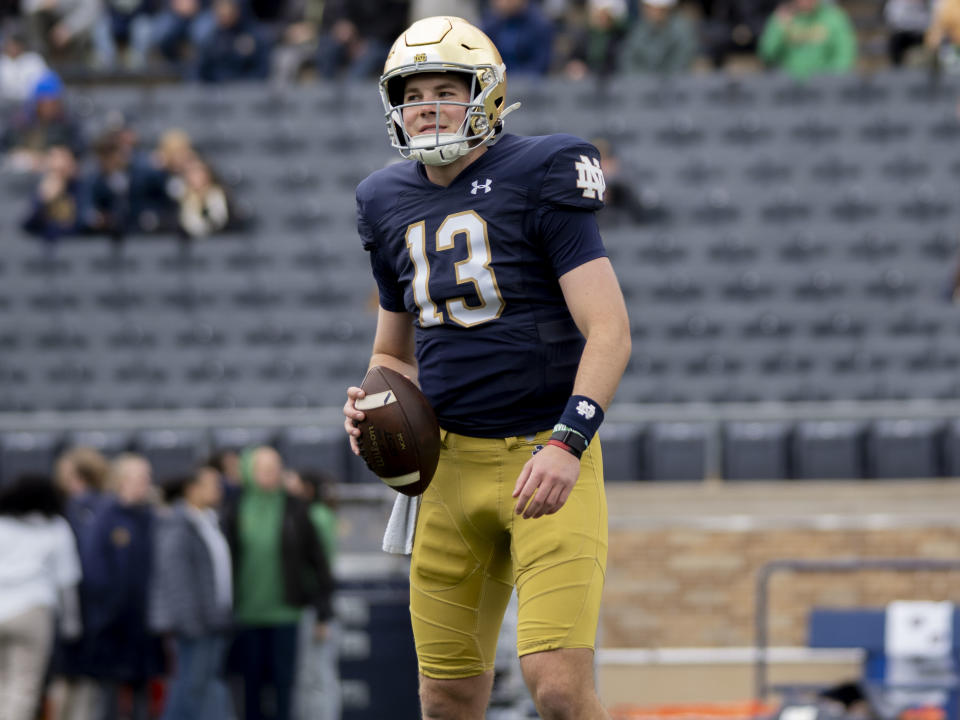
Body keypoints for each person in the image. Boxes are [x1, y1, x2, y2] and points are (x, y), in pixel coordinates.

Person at [342, 16, 631, 720]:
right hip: (446, 472)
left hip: (546, 456)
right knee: (445, 701)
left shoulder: (541, 170)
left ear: (489, 96)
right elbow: (391, 351)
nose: (430, 106)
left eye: (448, 88)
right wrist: (373, 405)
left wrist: (568, 443)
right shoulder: (384, 200)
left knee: (559, 690)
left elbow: (611, 331)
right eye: (415, 93)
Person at [222, 446, 334, 720]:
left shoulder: (296, 508)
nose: (270, 474)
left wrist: (323, 610)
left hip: (286, 612)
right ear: (250, 471)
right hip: (247, 613)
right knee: (250, 685)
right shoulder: (235, 507)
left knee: (285, 683)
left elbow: (317, 561)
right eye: (264, 468)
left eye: (275, 468)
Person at [150, 466, 234, 720]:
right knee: (189, 684)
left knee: (205, 685)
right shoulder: (178, 525)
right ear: (192, 489)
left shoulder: (209, 521)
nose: (218, 490)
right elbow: (177, 580)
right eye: (211, 484)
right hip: (194, 624)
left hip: (213, 620)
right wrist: (191, 623)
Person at [85, 454, 163, 720]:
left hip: (145, 623)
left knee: (143, 691)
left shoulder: (151, 518)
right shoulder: (105, 518)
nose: (147, 483)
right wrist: (108, 612)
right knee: (110, 695)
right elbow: (95, 572)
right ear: (122, 480)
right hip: (114, 625)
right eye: (142, 477)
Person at [0, 474, 83, 720]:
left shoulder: (2, 524)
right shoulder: (56, 526)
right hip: (33, 611)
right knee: (24, 687)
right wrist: (72, 625)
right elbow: (67, 580)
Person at [49, 447, 111, 720]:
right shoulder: (104, 506)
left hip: (77, 606)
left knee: (74, 680)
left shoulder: (76, 509)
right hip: (92, 607)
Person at [284, 469, 340, 720]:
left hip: (317, 605)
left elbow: (318, 567)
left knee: (316, 675)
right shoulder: (321, 514)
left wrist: (321, 613)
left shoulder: (313, 516)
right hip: (319, 604)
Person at [758, 0, 857, 78]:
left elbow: (845, 56)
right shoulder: (780, 17)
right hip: (786, 85)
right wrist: (779, 29)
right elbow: (767, 55)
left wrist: (829, 78)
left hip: (825, 86)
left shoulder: (834, 17)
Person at [21, 144, 88, 241]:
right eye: (53, 158)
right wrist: (44, 198)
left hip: (75, 246)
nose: (58, 164)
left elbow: (81, 223)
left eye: (63, 158)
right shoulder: (40, 186)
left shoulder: (81, 186)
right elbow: (28, 225)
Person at [618, 0, 698, 74]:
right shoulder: (638, 28)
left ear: (668, 9)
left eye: (660, 9)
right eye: (649, 8)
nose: (655, 12)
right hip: (641, 83)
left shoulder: (683, 28)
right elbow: (627, 58)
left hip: (673, 82)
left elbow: (681, 61)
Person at [480, 0, 553, 75]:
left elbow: (540, 65)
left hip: (529, 83)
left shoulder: (540, 25)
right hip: (496, 79)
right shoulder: (490, 23)